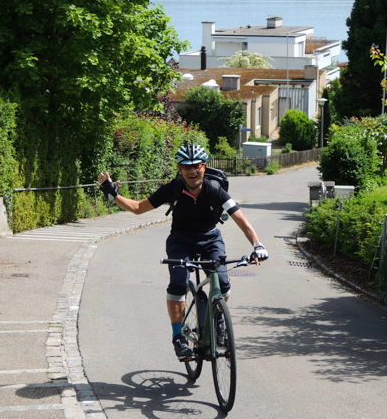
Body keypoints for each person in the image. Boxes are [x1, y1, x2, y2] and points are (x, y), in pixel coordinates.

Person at [97, 142, 269, 360]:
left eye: (197, 165)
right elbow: (139, 208)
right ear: (180, 169)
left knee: (223, 283)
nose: (192, 170)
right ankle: (178, 336)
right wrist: (112, 195)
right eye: (186, 166)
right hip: (181, 240)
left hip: (210, 238)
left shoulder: (216, 190)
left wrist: (257, 245)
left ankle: (218, 321)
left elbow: (241, 220)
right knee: (178, 281)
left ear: (204, 167)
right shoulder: (173, 189)